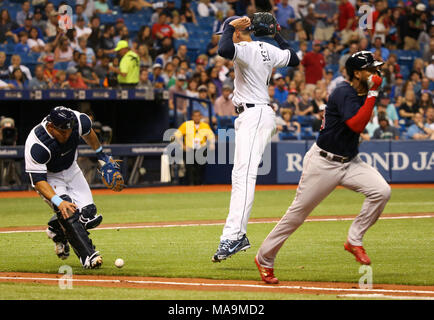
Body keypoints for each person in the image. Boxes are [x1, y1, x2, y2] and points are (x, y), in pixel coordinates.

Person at [255, 51, 391, 284]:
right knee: (297, 215)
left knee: (382, 191)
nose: (377, 72)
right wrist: (374, 93)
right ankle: (264, 258)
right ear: (357, 73)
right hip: (324, 163)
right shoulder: (343, 91)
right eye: (371, 68)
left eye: (376, 67)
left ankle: (354, 240)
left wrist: (372, 93)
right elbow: (357, 125)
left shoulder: (363, 92)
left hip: (349, 162)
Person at [211, 15, 300, 263]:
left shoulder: (245, 48)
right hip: (255, 114)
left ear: (239, 32)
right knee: (241, 175)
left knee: (244, 175)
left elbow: (224, 49)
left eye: (230, 32)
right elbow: (294, 58)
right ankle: (234, 234)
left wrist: (231, 27)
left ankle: (235, 235)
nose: (227, 35)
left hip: (255, 113)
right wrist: (277, 34)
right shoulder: (267, 48)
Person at [24, 106, 118, 268]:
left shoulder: (79, 121)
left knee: (88, 213)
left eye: (70, 130)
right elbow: (38, 181)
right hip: (49, 177)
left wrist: (102, 156)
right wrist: (58, 201)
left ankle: (57, 229)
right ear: (51, 127)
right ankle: (88, 256)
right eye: (62, 131)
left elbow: (89, 134)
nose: (67, 134)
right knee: (67, 210)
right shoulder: (37, 145)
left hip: (71, 168)